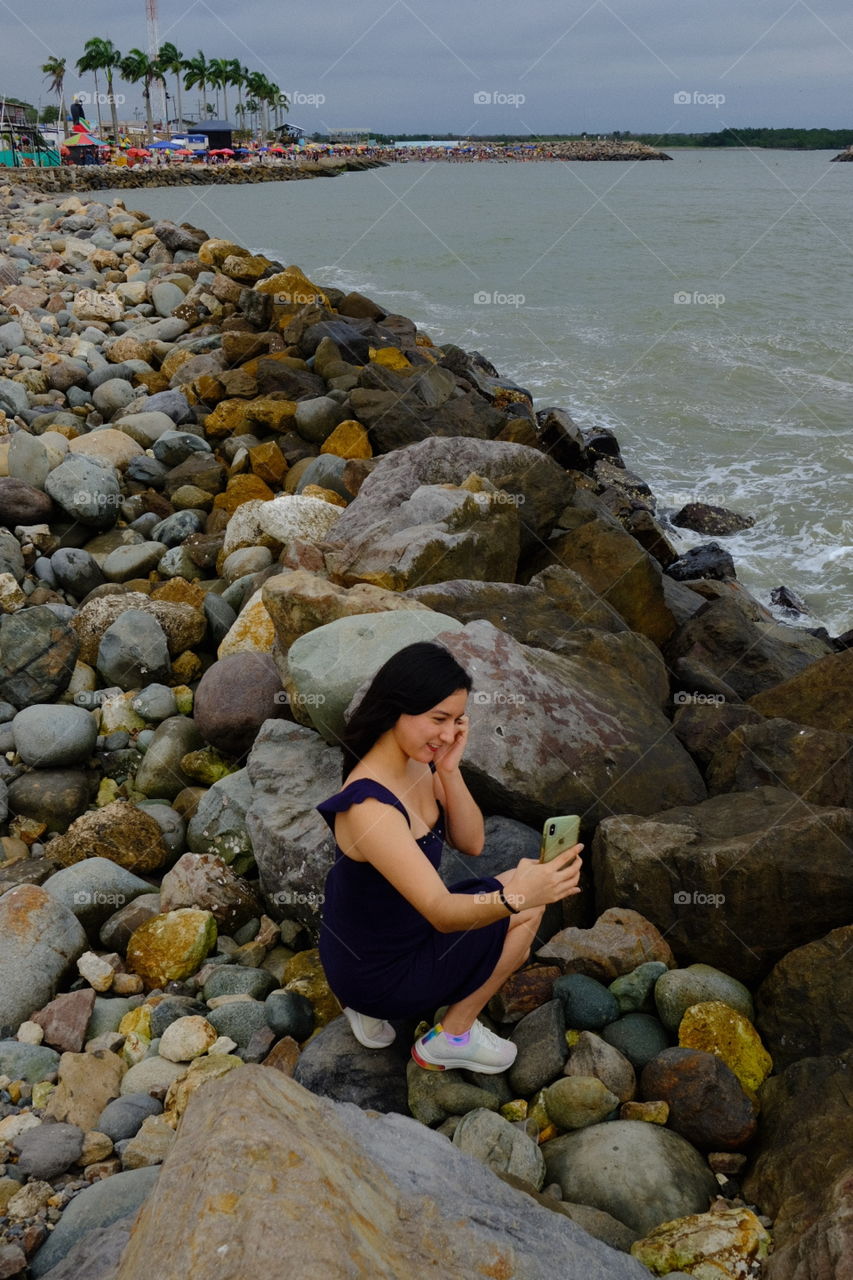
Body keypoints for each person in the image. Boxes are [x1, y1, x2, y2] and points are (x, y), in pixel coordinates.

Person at [316, 641, 583, 1074]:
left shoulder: (417, 762)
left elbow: (472, 841)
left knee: (525, 876)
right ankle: (452, 1036)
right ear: (395, 709)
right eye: (437, 719)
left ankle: (369, 1007)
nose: (446, 733)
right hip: (379, 970)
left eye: (456, 721)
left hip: (376, 943)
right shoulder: (370, 806)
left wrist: (450, 771)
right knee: (527, 900)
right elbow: (442, 912)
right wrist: (517, 898)